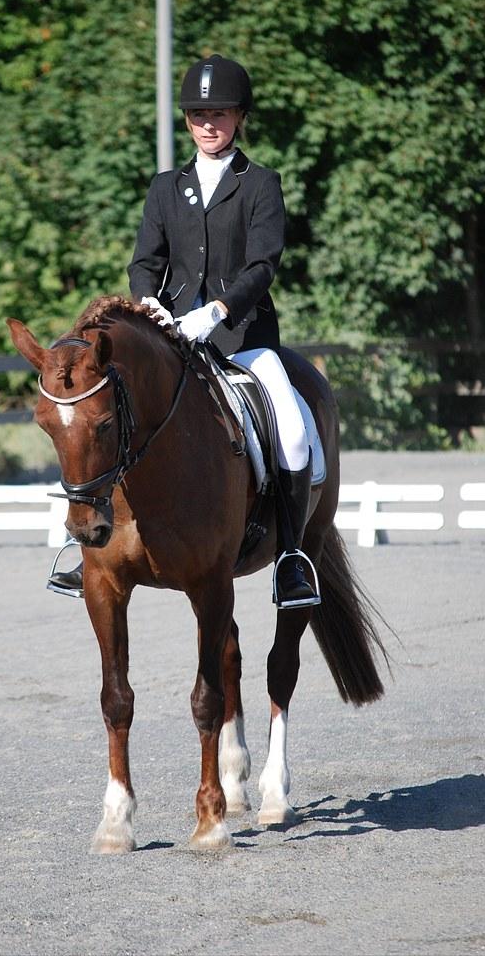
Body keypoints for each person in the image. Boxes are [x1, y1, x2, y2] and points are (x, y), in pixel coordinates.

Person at [49, 54, 318, 608]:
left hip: (242, 337)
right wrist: (151, 307)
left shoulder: (260, 184)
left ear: (240, 117)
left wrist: (215, 311)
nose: (208, 124)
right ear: (188, 121)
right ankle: (87, 548)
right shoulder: (166, 187)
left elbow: (263, 265)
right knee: (105, 414)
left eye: (219, 113)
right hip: (169, 335)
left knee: (291, 430)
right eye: (198, 115)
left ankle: (291, 556)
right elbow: (145, 260)